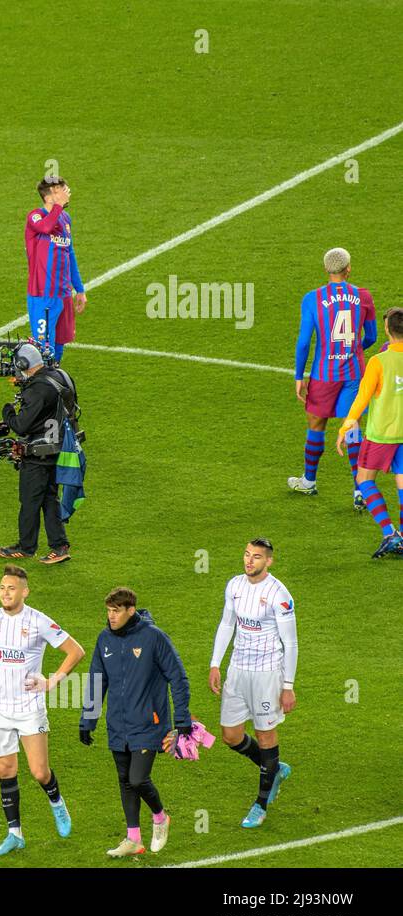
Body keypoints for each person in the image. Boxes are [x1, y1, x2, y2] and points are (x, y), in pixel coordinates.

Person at [0, 565, 84, 856]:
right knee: (5, 769)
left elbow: (76, 651)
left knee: (39, 771)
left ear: (25, 591)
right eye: (1, 588)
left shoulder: (38, 621)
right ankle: (15, 834)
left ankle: (57, 804)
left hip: (29, 708)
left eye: (11, 588)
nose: (5, 593)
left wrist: (52, 681)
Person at [80, 588, 192, 857]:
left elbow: (178, 678)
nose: (111, 616)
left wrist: (182, 718)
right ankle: (133, 839)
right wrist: (88, 720)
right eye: (108, 611)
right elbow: (97, 681)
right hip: (118, 724)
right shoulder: (104, 639)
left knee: (138, 778)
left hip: (149, 723)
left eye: (116, 611)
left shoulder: (154, 638)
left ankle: (160, 817)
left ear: (131, 611)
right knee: (124, 780)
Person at [209, 539, 296, 829]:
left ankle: (260, 804)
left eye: (256, 557)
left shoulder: (279, 595)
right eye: (246, 554)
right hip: (237, 670)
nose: (249, 561)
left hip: (267, 672)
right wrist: (215, 664)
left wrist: (288, 684)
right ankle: (274, 769)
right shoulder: (234, 585)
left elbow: (291, 643)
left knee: (265, 734)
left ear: (268, 561)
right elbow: (226, 624)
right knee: (230, 735)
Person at [289, 247, 376, 507]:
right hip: (353, 374)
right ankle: (359, 489)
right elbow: (370, 336)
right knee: (352, 427)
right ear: (348, 268)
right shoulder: (363, 296)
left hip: (323, 375)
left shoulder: (312, 298)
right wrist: (353, 351)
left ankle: (309, 481)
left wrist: (298, 375)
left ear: (326, 270)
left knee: (316, 426)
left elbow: (304, 342)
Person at [0, 343, 77, 564]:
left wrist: (8, 411)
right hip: (61, 448)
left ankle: (26, 547)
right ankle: (59, 546)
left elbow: (21, 425)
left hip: (38, 453)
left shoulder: (36, 390)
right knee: (50, 497)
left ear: (24, 365)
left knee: (30, 500)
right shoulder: (60, 375)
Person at [337, 306, 403, 556]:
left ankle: (389, 533)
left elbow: (362, 398)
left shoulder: (378, 361)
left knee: (365, 480)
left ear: (387, 329)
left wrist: (346, 425)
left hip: (381, 435)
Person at [25, 175, 87, 362]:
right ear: (51, 195)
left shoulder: (65, 218)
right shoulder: (36, 216)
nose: (68, 192)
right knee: (44, 348)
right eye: (62, 189)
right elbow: (45, 228)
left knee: (60, 343)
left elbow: (70, 255)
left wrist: (80, 289)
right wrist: (58, 206)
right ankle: (40, 385)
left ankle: (54, 378)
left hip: (63, 293)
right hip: (43, 294)